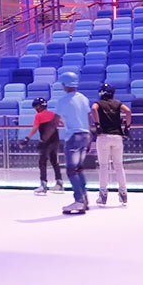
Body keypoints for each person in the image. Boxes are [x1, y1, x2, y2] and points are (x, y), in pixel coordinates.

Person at [55, 71, 92, 214]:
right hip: (85, 135)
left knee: (71, 170)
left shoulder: (63, 101)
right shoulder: (83, 98)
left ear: (64, 84)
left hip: (73, 137)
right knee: (79, 169)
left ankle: (79, 201)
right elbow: (88, 117)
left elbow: (54, 120)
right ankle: (84, 199)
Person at [92, 83, 131, 206]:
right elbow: (128, 111)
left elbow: (93, 109)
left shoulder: (99, 103)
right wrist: (127, 127)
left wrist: (97, 124)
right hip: (117, 137)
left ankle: (103, 195)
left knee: (104, 166)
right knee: (119, 165)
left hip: (103, 136)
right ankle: (123, 194)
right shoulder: (117, 103)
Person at [19, 97, 64, 195]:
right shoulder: (52, 114)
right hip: (55, 140)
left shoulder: (38, 116)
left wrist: (27, 139)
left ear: (38, 107)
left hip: (46, 141)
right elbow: (62, 123)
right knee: (54, 161)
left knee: (42, 162)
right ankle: (59, 183)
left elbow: (35, 128)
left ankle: (43, 184)